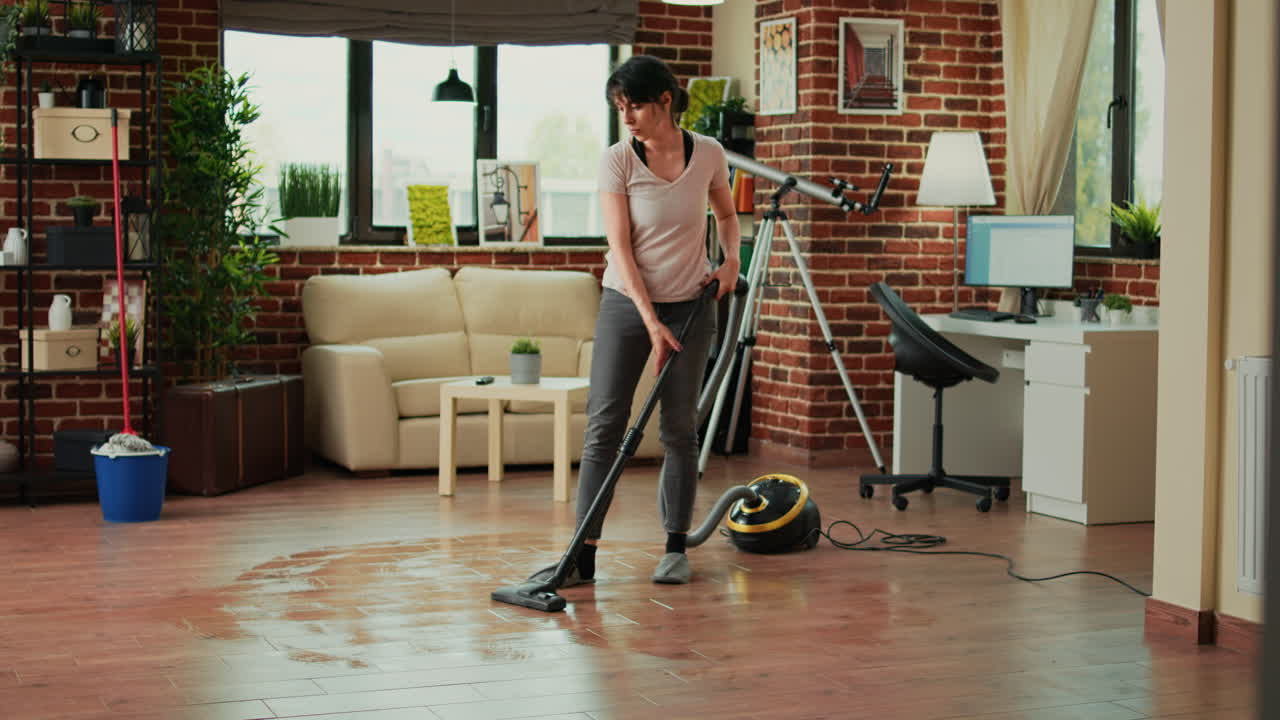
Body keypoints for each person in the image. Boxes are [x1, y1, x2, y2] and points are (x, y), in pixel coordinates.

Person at [537, 55, 740, 586]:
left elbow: (727, 214)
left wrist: (732, 261)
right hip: (627, 304)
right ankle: (583, 555)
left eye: (634, 106)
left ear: (665, 101)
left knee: (679, 428)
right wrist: (651, 324)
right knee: (605, 425)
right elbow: (621, 250)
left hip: (692, 305)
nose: (626, 116)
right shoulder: (617, 160)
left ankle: (676, 546)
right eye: (619, 108)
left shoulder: (710, 154)